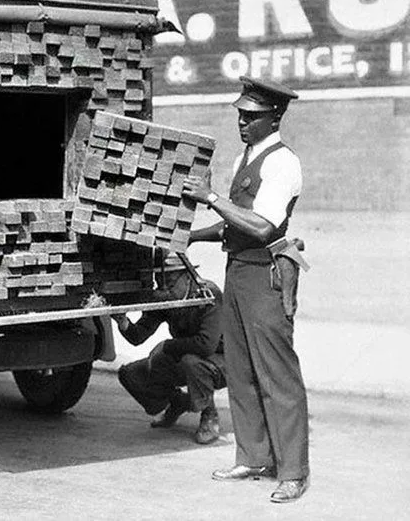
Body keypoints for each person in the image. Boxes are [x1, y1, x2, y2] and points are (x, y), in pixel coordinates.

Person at [183, 76, 310, 504]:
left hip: (265, 276)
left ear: (274, 116)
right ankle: (254, 456)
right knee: (240, 371)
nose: (242, 122)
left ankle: (292, 471)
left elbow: (262, 225)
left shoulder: (282, 162)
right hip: (238, 271)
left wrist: (212, 196)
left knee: (278, 375)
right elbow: (234, 221)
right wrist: (192, 236)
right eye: (240, 114)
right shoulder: (246, 157)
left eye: (252, 116)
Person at [113, 252, 225, 444]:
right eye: (160, 282)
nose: (165, 288)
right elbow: (138, 335)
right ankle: (178, 403)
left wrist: (167, 346)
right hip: (187, 359)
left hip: (222, 361)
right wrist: (123, 321)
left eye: (170, 281)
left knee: (191, 361)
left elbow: (206, 345)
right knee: (131, 374)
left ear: (187, 276)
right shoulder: (168, 299)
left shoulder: (208, 293)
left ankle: (209, 415)